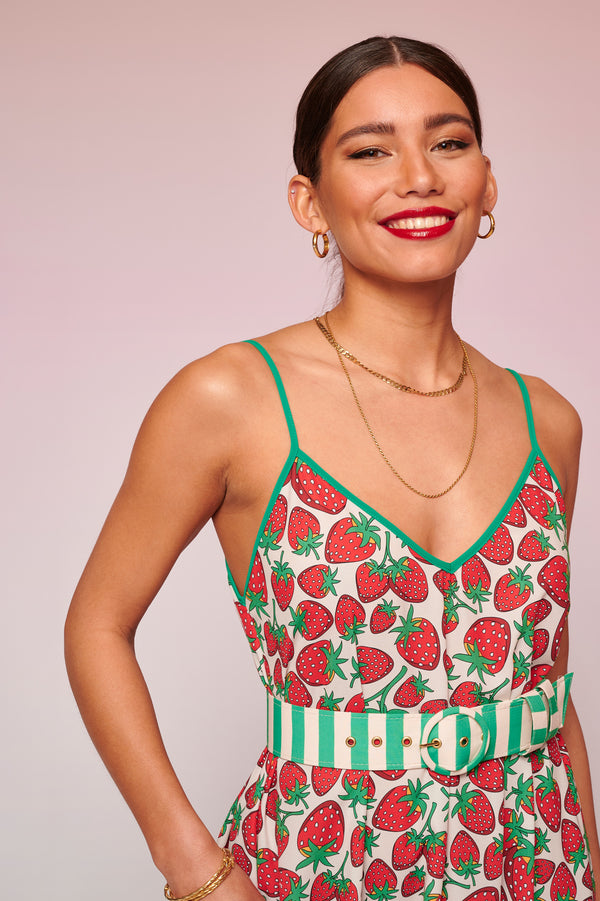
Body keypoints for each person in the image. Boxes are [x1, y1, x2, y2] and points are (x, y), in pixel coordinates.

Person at [65, 35, 599, 901]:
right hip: (322, 866)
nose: (419, 176)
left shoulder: (550, 422)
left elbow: (547, 688)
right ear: (308, 201)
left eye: (449, 142)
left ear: (487, 183)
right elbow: (96, 625)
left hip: (538, 868)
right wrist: (196, 872)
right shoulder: (230, 398)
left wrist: (592, 870)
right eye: (371, 151)